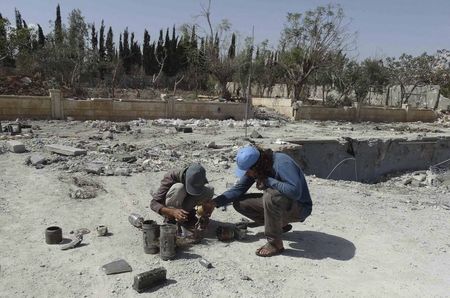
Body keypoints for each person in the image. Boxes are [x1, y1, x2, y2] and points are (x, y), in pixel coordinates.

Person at [207, 145, 313, 257]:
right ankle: (279, 225)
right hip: (282, 205)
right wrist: (214, 203)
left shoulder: (282, 163)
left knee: (271, 195)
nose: (246, 174)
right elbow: (238, 189)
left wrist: (268, 181)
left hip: (300, 208)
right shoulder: (259, 167)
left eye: (247, 171)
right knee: (240, 203)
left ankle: (275, 244)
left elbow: (295, 191)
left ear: (256, 166)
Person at [150, 163, 214, 230]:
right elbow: (153, 203)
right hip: (172, 208)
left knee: (209, 189)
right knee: (179, 188)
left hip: (187, 205)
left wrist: (206, 208)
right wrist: (172, 212)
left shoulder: (200, 178)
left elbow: (203, 197)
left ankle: (189, 216)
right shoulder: (171, 176)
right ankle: (171, 220)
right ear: (185, 177)